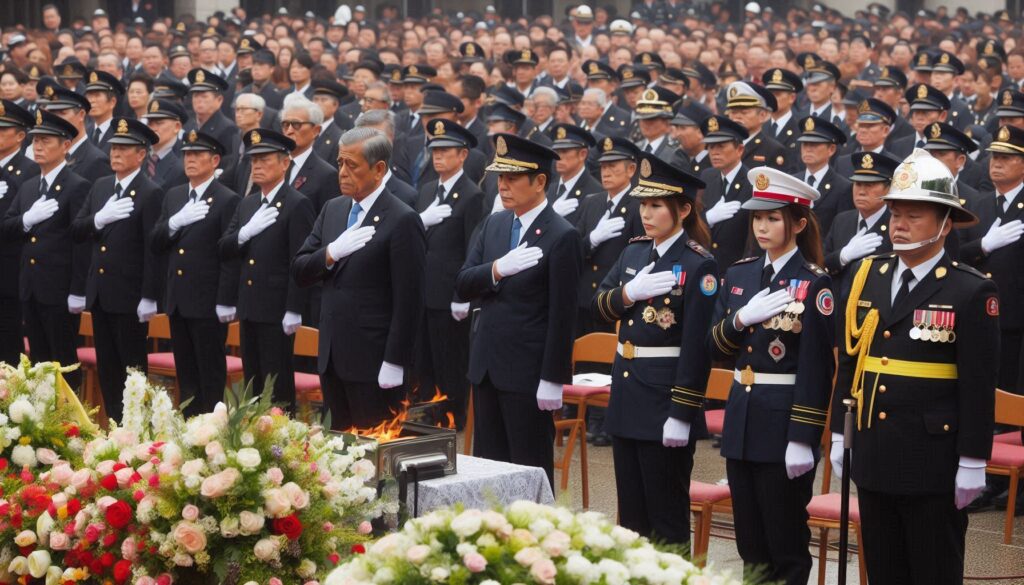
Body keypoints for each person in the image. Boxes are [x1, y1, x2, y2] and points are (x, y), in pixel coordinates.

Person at [832, 150, 997, 584]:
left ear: (945, 224)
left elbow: (978, 387)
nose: (898, 225)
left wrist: (974, 459)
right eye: (895, 214)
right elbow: (852, 362)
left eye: (913, 216)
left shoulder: (970, 290)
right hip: (875, 451)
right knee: (884, 571)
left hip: (932, 459)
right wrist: (837, 430)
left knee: (932, 572)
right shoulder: (867, 274)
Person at [708, 166, 834, 585]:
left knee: (786, 545)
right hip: (742, 417)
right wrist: (740, 319)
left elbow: (817, 369)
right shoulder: (741, 273)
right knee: (751, 544)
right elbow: (716, 345)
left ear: (798, 223)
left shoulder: (814, 285)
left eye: (773, 218)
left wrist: (803, 438)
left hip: (782, 423)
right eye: (757, 218)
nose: (762, 226)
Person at [591, 151, 714, 544]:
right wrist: (629, 292)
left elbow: (697, 348)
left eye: (656, 205)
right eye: (643, 204)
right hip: (628, 395)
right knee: (631, 518)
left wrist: (682, 411)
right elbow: (599, 303)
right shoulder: (635, 251)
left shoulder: (698, 265)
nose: (646, 213)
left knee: (666, 518)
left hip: (664, 401)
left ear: (683, 209)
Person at [455, 133, 582, 487]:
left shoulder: (561, 235)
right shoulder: (495, 223)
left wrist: (553, 378)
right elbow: (464, 282)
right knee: (488, 470)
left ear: (540, 181)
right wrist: (497, 269)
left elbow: (562, 314)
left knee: (527, 469)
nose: (503, 186)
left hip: (528, 371)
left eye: (512, 178)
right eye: (500, 178)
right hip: (487, 365)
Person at [292, 127, 425, 429]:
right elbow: (300, 269)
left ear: (378, 169)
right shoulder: (333, 209)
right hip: (332, 356)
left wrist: (394, 361)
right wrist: (330, 253)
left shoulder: (401, 218)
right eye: (340, 163)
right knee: (337, 454)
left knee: (373, 458)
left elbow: (410, 301)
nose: (342, 172)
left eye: (352, 165)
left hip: (374, 361)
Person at [72, 118, 164, 422]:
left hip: (129, 295)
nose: (116, 154)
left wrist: (149, 296)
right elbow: (79, 228)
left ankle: (138, 432)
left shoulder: (150, 192)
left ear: (141, 155)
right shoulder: (101, 186)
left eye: (124, 149)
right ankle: (114, 428)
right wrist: (100, 218)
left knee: (133, 372)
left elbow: (153, 250)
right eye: (113, 148)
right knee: (108, 370)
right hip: (100, 294)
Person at [220, 129, 314, 412]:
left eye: (264, 159)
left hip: (277, 309)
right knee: (253, 383)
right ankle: (253, 443)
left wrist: (294, 308)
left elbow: (300, 261)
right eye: (253, 160)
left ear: (285, 163)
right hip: (249, 305)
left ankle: (279, 443)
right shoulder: (248, 203)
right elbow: (224, 248)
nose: (257, 166)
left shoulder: (297, 204)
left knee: (277, 386)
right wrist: (244, 233)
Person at [151, 131, 240, 416]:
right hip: (178, 298)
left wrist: (225, 299)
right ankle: (189, 431)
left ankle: (210, 433)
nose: (190, 160)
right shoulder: (175, 194)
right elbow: (156, 241)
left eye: (198, 155)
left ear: (215, 160)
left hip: (207, 300)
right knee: (186, 373)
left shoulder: (227, 199)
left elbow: (228, 255)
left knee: (210, 372)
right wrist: (175, 223)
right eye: (187, 154)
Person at [1, 110, 87, 391]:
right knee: (38, 361)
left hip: (59, 288)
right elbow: (7, 226)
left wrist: (77, 289)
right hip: (30, 285)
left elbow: (80, 241)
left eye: (46, 141)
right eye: (35, 140)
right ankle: (43, 425)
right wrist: (27, 219)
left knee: (62, 361)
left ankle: (70, 425)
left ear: (65, 145)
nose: (38, 146)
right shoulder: (28, 187)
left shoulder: (77, 186)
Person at [414, 119, 484, 425]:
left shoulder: (472, 195)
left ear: (463, 155)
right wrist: (421, 220)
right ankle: (428, 411)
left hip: (450, 291)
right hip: (424, 288)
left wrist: (462, 295)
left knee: (450, 358)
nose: (438, 156)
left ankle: (453, 414)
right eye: (435, 150)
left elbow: (472, 249)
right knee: (424, 356)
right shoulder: (427, 190)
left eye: (446, 150)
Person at [0, 100, 39, 365]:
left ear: (21, 136)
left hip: (11, 269)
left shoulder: (29, 171)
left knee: (8, 340)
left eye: (3, 130)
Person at [700, 115, 753, 273]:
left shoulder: (752, 183)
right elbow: (692, 221)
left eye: (721, 146)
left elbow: (752, 240)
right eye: (710, 146)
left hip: (736, 269)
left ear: (739, 150)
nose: (714, 152)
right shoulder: (707, 177)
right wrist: (707, 218)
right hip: (706, 268)